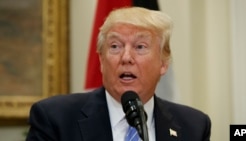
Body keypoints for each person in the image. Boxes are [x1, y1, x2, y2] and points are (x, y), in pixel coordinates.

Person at [26, 7, 211, 141]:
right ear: (101, 60)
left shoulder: (193, 127)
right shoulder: (55, 119)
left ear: (163, 63)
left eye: (140, 47)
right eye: (115, 46)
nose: (126, 57)